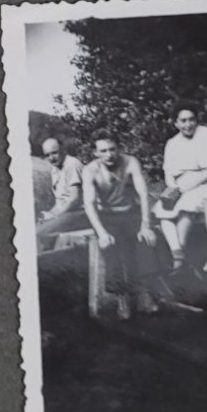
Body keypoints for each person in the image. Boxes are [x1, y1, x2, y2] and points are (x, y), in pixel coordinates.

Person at [80, 132, 158, 319]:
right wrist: (102, 233)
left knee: (144, 242)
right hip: (106, 216)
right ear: (96, 153)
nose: (109, 154)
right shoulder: (90, 170)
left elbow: (143, 193)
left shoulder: (130, 162)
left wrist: (145, 224)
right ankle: (122, 298)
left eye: (112, 149)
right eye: (103, 151)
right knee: (111, 248)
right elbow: (89, 204)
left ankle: (143, 293)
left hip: (131, 212)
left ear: (119, 149)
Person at [158, 107, 207, 274]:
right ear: (176, 123)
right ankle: (178, 254)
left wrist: (189, 185)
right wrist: (173, 188)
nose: (188, 124)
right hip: (181, 185)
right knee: (162, 213)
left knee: (185, 209)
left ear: (197, 120)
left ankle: (178, 264)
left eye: (191, 119)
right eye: (183, 121)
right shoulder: (172, 143)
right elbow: (168, 173)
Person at [35, 137, 87, 241]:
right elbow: (60, 201)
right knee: (37, 225)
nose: (51, 158)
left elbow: (75, 199)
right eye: (47, 155)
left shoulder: (72, 164)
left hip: (80, 212)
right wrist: (50, 214)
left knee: (40, 232)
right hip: (67, 212)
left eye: (54, 153)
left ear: (63, 150)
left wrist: (54, 216)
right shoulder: (55, 168)